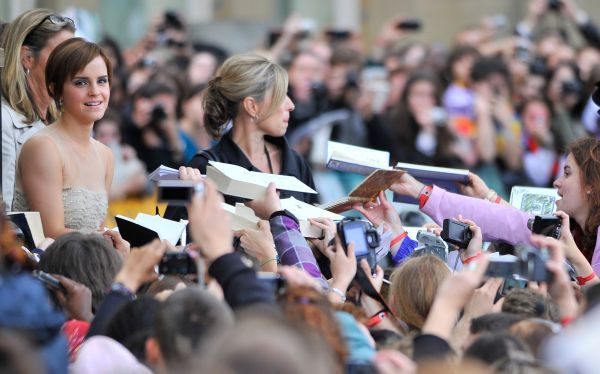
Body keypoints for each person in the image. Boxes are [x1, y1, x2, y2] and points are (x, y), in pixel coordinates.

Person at [389, 136, 600, 278]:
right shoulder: (569, 229)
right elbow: (510, 222)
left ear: (591, 183)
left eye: (567, 173)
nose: (557, 181)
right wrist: (423, 192)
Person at [13, 38, 114, 238]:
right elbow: (51, 233)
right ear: (55, 89)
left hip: (92, 264)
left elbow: (97, 229)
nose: (95, 92)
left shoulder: (105, 155)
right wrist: (105, 241)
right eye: (81, 83)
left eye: (102, 81)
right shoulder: (43, 147)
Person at [188, 53, 317, 205]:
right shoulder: (203, 166)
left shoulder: (295, 161)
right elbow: (170, 225)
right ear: (252, 106)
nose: (291, 105)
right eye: (281, 95)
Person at [1, 9, 75, 211]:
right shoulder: (5, 121)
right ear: (28, 58)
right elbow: (5, 217)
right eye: (61, 55)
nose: (73, 66)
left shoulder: (64, 118)